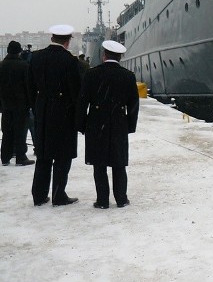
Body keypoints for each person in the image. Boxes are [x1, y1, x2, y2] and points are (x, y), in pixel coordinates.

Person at [76, 40, 139, 209]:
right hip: (119, 122)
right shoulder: (128, 76)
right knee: (119, 163)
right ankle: (121, 199)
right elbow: (133, 104)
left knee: (99, 163)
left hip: (96, 122)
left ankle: (102, 200)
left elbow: (82, 102)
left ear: (104, 55)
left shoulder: (92, 74)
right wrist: (130, 126)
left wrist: (81, 125)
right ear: (119, 57)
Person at [29, 25, 82, 207]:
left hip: (42, 109)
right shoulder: (70, 61)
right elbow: (76, 91)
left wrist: (37, 105)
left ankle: (39, 195)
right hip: (63, 112)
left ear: (52, 38)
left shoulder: (36, 57)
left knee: (43, 154)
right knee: (62, 155)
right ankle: (59, 195)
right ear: (67, 41)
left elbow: (30, 87)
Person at [0, 41, 35, 166]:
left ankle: (5, 157)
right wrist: (31, 103)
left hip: (6, 104)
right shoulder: (24, 66)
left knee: (7, 131)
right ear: (19, 51)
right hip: (21, 104)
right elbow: (28, 86)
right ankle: (20, 157)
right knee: (20, 131)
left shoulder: (1, 65)